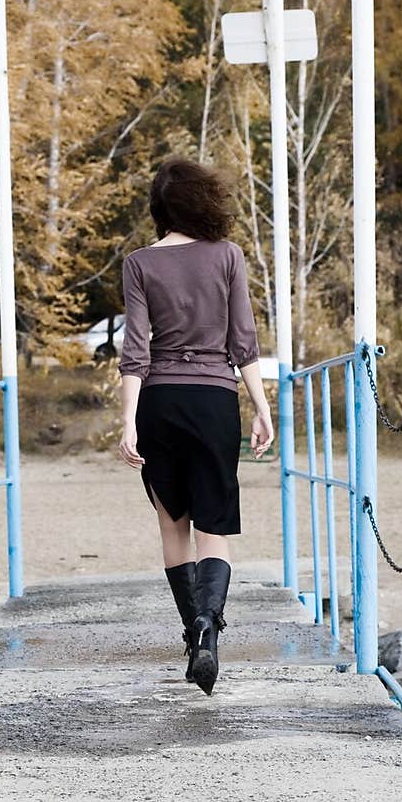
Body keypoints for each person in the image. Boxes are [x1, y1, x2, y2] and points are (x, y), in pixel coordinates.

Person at [117, 156, 275, 695]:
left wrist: (127, 422)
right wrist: (261, 406)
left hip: (158, 402)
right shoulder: (228, 257)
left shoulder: (138, 264)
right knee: (213, 528)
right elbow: (243, 341)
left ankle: (191, 631)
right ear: (203, 201)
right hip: (214, 400)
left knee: (172, 525)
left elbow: (134, 351)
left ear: (159, 209)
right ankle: (209, 630)